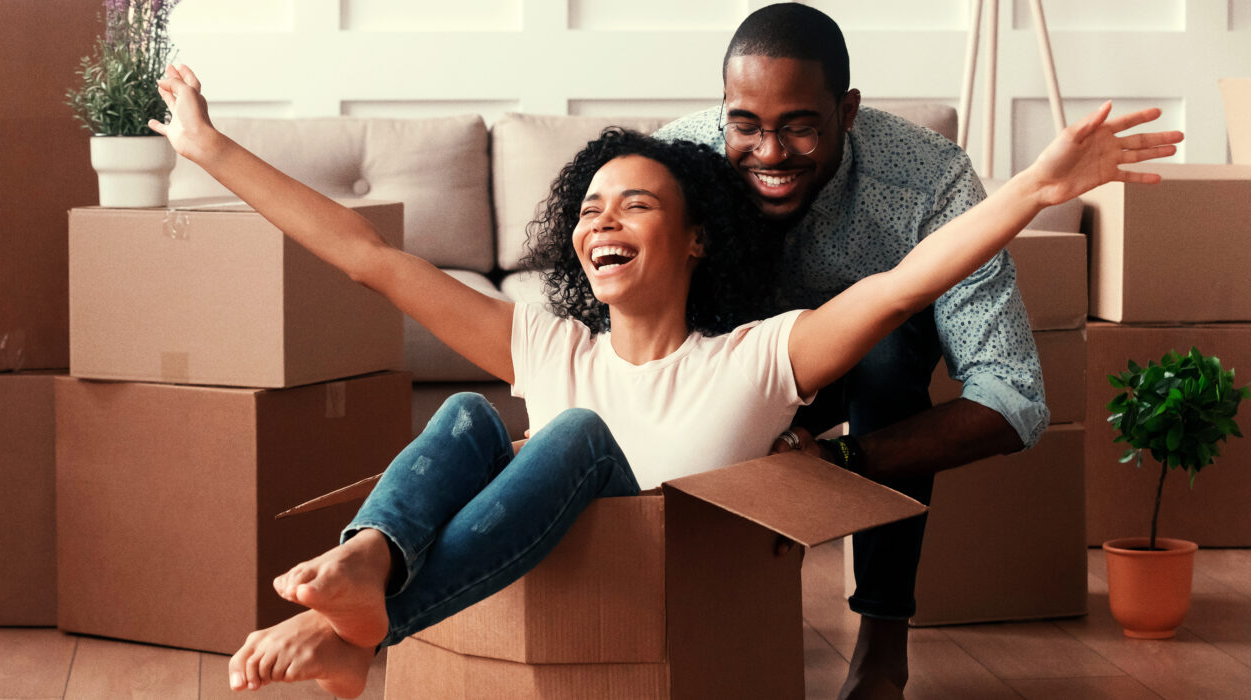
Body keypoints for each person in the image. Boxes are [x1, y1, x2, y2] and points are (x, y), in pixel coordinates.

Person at [149, 61, 1179, 697]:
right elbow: (363, 255)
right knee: (470, 413)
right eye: (589, 208)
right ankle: (369, 566)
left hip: (664, 598)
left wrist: (1036, 185)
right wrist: (208, 148)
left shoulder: (756, 359)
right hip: (542, 572)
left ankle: (357, 630)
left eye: (634, 205)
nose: (602, 220)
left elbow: (908, 281)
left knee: (571, 439)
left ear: (692, 241)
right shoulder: (550, 345)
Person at [653, 5, 1057, 695]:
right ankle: (709, 620)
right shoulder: (677, 165)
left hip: (868, 370)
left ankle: (881, 641)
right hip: (728, 358)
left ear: (847, 110)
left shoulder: (931, 180)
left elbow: (1013, 398)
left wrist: (836, 462)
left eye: (800, 127)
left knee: (888, 362)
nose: (770, 153)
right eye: (745, 125)